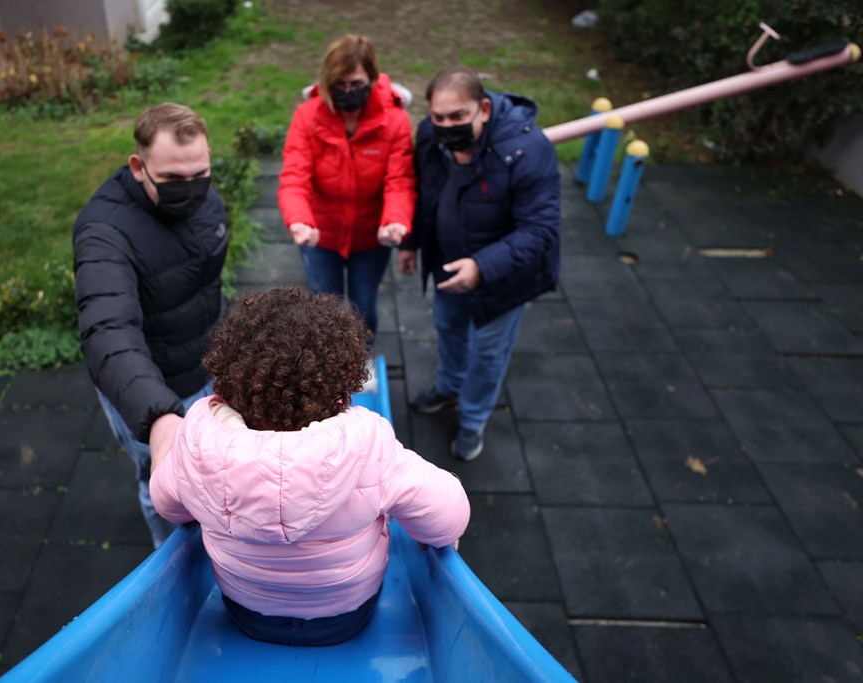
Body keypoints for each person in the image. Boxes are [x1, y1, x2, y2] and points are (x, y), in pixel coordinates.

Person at [148, 288, 470, 646]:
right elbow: (448, 512)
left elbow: (167, 504)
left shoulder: (197, 446)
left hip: (246, 613)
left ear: (230, 381)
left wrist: (169, 451)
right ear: (342, 391)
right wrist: (438, 533)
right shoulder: (370, 448)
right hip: (346, 616)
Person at [73, 103, 228, 548]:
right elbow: (108, 331)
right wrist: (158, 417)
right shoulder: (104, 232)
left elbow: (202, 279)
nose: (192, 189)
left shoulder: (201, 192)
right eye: (174, 180)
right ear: (139, 167)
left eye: (200, 174)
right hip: (154, 389)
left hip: (209, 363)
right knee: (161, 484)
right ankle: (170, 555)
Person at [397, 67, 561, 462]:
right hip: (448, 265)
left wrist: (482, 267)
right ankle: (449, 387)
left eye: (457, 118)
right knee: (448, 328)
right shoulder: (429, 137)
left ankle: (472, 420)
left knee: (489, 351)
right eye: (439, 117)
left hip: (503, 277)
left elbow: (540, 229)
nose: (446, 126)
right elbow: (425, 193)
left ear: (483, 109)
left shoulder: (527, 150)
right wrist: (412, 243)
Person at [278, 34, 416, 348]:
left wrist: (396, 219)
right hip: (320, 234)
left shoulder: (394, 121)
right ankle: (325, 365)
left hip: (371, 237)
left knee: (363, 305)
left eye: (355, 83)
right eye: (339, 84)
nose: (348, 92)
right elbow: (295, 176)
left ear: (372, 77)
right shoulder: (308, 117)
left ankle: (359, 360)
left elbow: (400, 180)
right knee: (322, 306)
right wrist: (299, 220)